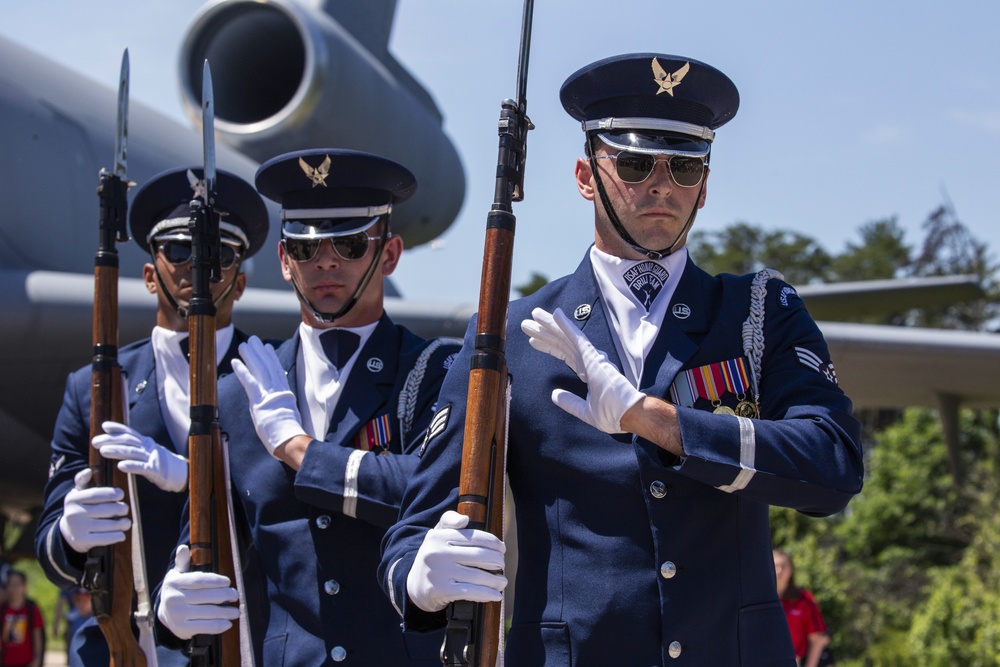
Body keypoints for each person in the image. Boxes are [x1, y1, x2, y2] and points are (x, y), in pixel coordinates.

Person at [380, 53, 866, 665]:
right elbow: (412, 532)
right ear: (586, 175)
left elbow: (833, 466)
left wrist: (655, 419)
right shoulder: (510, 332)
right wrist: (419, 580)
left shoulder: (757, 314)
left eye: (685, 167)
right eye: (635, 164)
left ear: (706, 187)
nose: (662, 184)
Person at [155, 148, 460, 665]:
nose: (324, 261)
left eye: (348, 243)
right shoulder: (239, 392)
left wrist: (299, 449)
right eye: (304, 246)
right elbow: (206, 535)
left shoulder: (434, 371)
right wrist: (172, 602)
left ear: (388, 254)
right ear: (283, 260)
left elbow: (434, 492)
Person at [33, 166, 269, 666]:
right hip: (120, 646)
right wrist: (72, 539)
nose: (196, 267)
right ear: (148, 274)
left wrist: (193, 480)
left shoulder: (271, 377)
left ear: (240, 282)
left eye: (218, 254)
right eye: (179, 251)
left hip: (239, 642)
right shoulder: (95, 388)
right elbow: (51, 550)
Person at [775, 549, 833, 667]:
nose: (779, 571)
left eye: (783, 566)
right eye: (775, 566)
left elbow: (817, 640)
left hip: (797, 661)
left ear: (791, 570)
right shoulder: (760, 600)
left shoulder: (803, 599)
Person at [0, 570, 44, 667]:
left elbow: (37, 636)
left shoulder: (32, 609)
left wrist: (37, 659)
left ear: (24, 587)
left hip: (27, 663)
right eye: (11, 584)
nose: (14, 588)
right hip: (5, 662)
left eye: (17, 584)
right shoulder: (3, 609)